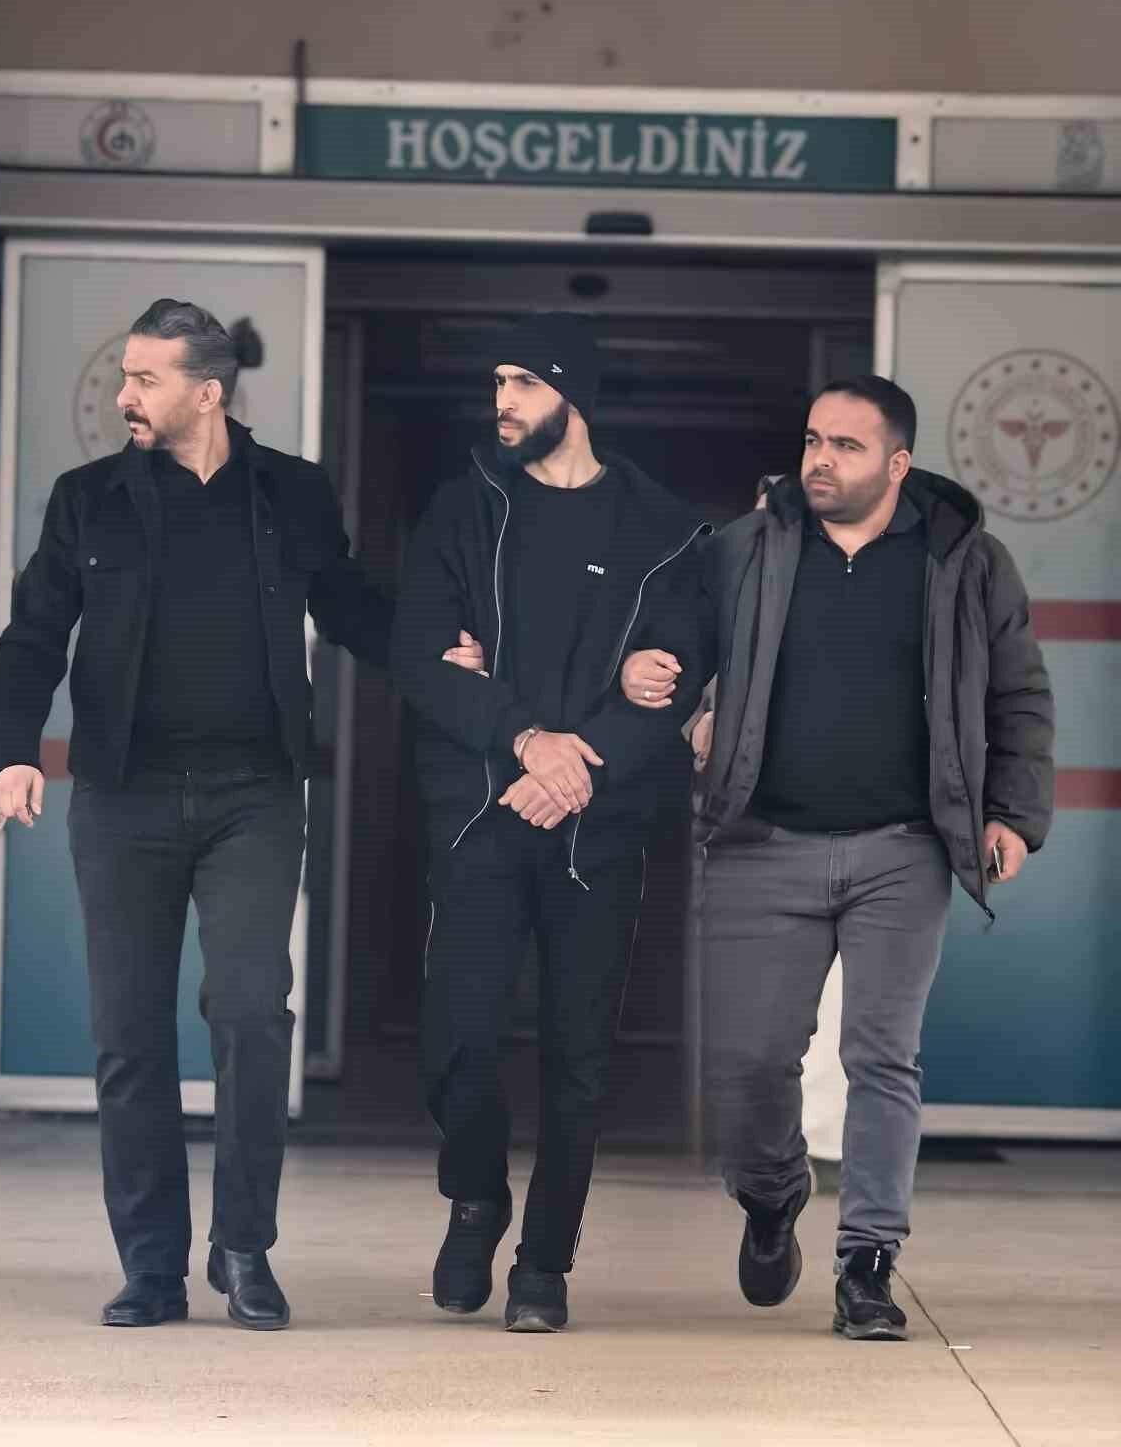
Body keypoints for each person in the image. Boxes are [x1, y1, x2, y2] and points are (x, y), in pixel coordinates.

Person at [0, 298, 483, 1331]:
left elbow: (347, 605)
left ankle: (244, 1246)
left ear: (205, 392)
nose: (126, 395)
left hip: (254, 796)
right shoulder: (88, 501)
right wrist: (10, 751)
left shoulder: (290, 491)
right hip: (122, 799)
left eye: (146, 378)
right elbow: (33, 634)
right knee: (129, 1035)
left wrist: (435, 653)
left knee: (253, 1014)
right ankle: (152, 1267)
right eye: (125, 376)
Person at [621, 376, 1053, 1340]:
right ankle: (773, 1194)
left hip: (905, 847)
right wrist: (658, 681)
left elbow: (1019, 695)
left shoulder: (966, 562)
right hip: (759, 842)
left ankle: (868, 1263)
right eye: (814, 440)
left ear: (897, 463)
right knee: (748, 1066)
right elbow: (673, 648)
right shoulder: (744, 547)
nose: (820, 459)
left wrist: (1015, 815)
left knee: (882, 1058)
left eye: (846, 446)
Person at [391, 312, 709, 1333]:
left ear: (575, 395)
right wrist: (528, 739)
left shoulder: (663, 530)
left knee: (578, 1059)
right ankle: (475, 1196)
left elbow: (676, 683)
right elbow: (419, 657)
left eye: (524, 382)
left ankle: (543, 1265)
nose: (503, 401)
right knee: (457, 1038)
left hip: (595, 832)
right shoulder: (463, 512)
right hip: (482, 820)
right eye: (498, 382)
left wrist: (577, 766)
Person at [683, 473, 848, 1180]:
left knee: (834, 1004)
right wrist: (699, 724)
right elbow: (689, 691)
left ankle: (822, 1146)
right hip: (742, 830)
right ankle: (754, 1149)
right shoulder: (722, 596)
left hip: (834, 827)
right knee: (749, 1010)